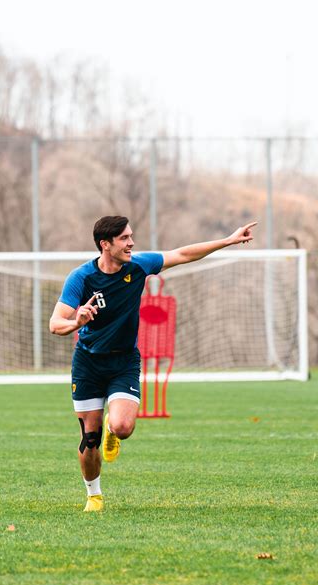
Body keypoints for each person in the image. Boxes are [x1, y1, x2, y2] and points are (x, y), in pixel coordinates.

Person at [49, 216, 257, 512]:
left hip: (124, 362)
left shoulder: (139, 265)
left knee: (121, 427)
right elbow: (55, 324)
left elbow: (182, 254)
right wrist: (76, 321)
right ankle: (94, 496)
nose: (131, 243)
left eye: (131, 236)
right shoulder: (81, 278)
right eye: (124, 238)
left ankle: (113, 427)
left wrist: (227, 240)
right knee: (89, 438)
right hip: (88, 364)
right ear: (104, 245)